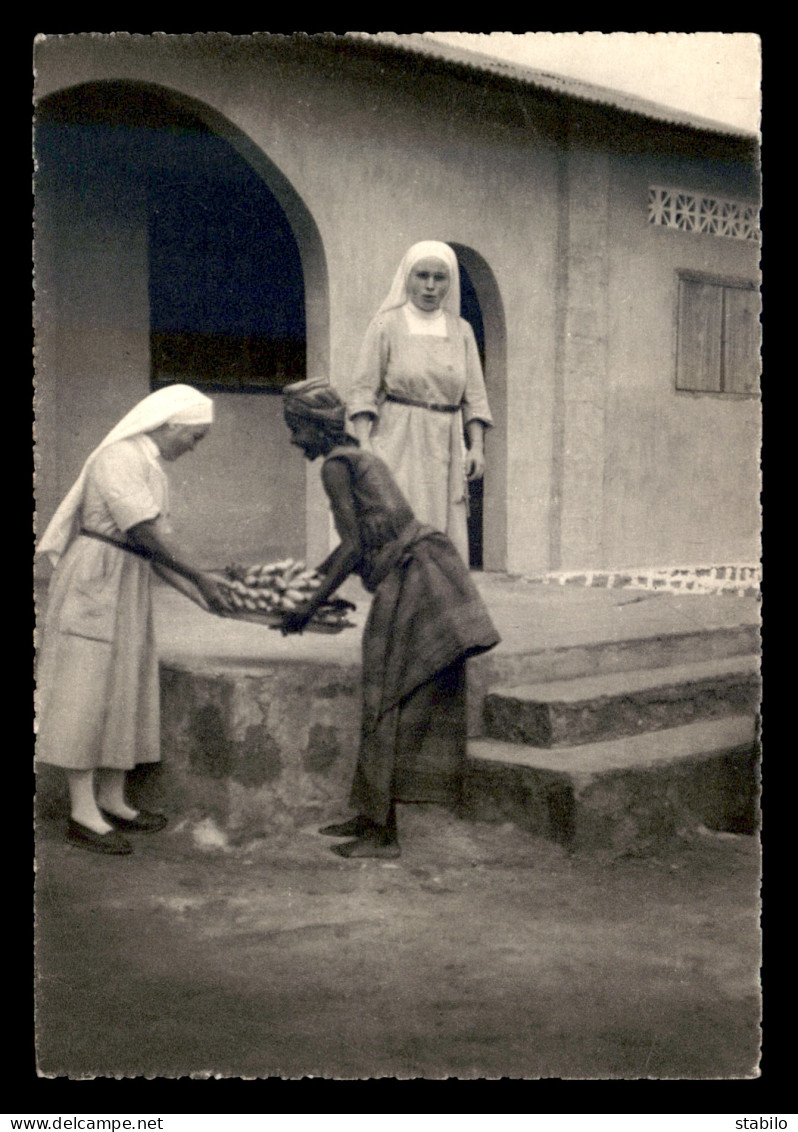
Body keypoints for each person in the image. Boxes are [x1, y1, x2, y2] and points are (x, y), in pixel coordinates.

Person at [281, 378, 501, 859]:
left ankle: (383, 835)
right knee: (389, 698)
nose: (294, 440)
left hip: (414, 582)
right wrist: (309, 589)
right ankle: (370, 815)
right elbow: (355, 545)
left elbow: (355, 546)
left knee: (387, 699)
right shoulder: (359, 458)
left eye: (296, 428)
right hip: (427, 574)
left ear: (314, 427)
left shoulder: (337, 467)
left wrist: (307, 604)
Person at [36, 384, 235, 855]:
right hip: (97, 576)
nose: (195, 446)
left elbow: (155, 548)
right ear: (171, 426)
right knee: (86, 689)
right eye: (196, 436)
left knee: (124, 686)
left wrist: (205, 596)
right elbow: (144, 530)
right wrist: (202, 578)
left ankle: (113, 799)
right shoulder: (119, 457)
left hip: (128, 578)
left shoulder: (153, 468)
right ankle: (82, 812)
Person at [346, 240, 493, 565]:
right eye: (421, 275)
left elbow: (475, 395)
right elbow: (363, 390)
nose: (430, 286)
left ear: (449, 282)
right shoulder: (386, 325)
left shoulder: (462, 331)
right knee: (401, 530)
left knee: (441, 534)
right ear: (406, 278)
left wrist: (477, 446)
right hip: (397, 441)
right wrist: (365, 444)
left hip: (446, 444)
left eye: (439, 277)